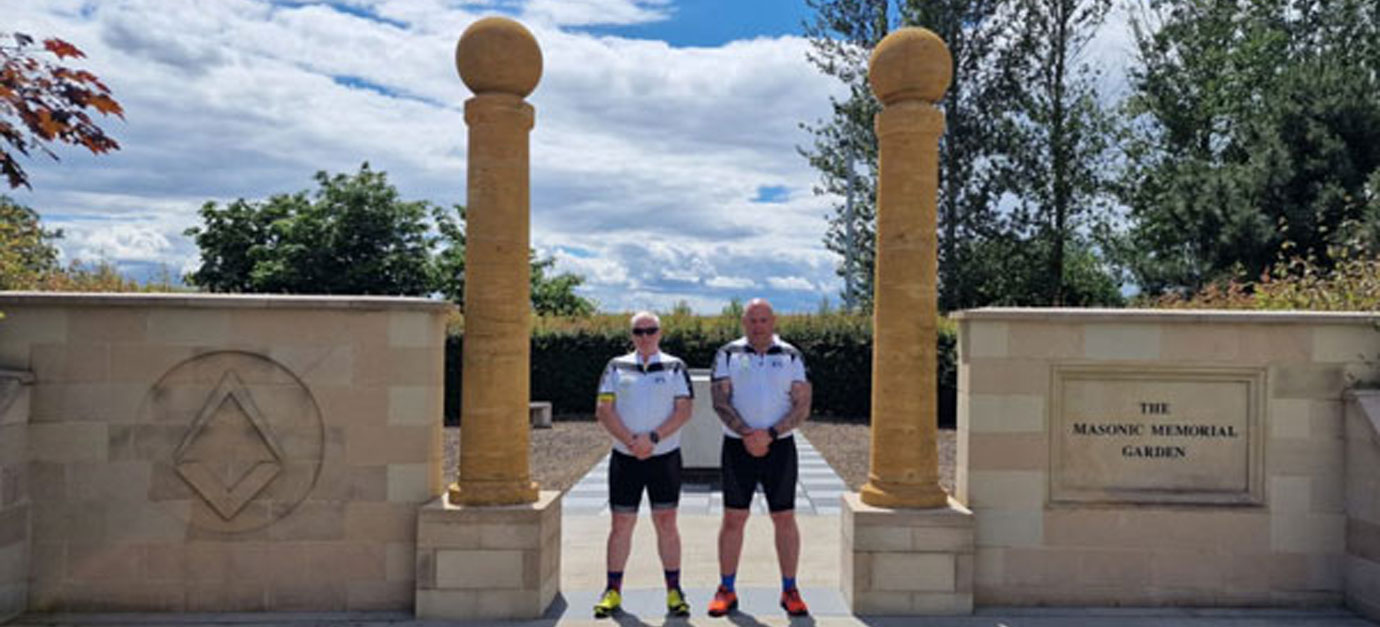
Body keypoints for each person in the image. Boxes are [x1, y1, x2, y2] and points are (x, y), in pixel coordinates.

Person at [707, 298, 812, 617]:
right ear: (743, 322)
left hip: (779, 446)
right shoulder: (728, 353)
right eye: (752, 320)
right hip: (738, 446)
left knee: (784, 518)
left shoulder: (791, 355)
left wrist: (771, 434)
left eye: (763, 320)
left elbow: (802, 404)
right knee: (733, 519)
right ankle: (726, 588)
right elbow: (720, 401)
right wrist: (747, 433)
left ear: (774, 321)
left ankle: (790, 589)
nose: (758, 326)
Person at [592, 311, 695, 618]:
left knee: (666, 523)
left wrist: (652, 438)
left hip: (664, 458)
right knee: (621, 525)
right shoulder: (616, 366)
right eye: (639, 331)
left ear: (660, 333)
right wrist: (631, 441)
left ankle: (674, 592)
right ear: (632, 335)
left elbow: (684, 409)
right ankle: (612, 590)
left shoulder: (675, 366)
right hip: (626, 458)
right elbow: (604, 409)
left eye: (651, 330)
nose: (645, 336)